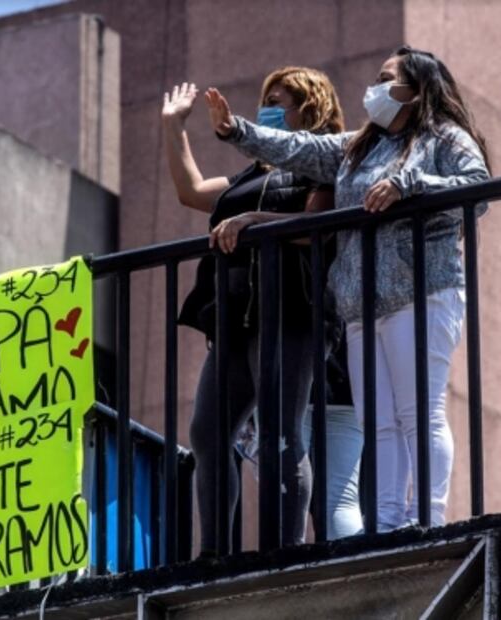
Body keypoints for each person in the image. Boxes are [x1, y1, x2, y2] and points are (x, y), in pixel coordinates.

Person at [206, 46, 491, 531]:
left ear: (416, 89)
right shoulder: (361, 146)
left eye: (386, 79)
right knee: (377, 422)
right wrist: (237, 131)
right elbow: (300, 149)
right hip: (360, 301)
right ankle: (385, 523)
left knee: (418, 412)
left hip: (421, 291)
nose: (374, 89)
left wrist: (410, 184)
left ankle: (425, 518)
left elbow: (476, 188)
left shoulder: (443, 136)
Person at [161, 67, 346, 551]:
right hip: (236, 317)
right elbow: (191, 192)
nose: (268, 109)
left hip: (292, 311)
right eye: (266, 100)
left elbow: (317, 225)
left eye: (278, 101)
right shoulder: (251, 175)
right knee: (207, 431)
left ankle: (281, 551)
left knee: (280, 433)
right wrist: (173, 126)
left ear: (311, 107)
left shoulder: (322, 161)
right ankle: (214, 555)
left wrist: (253, 221)